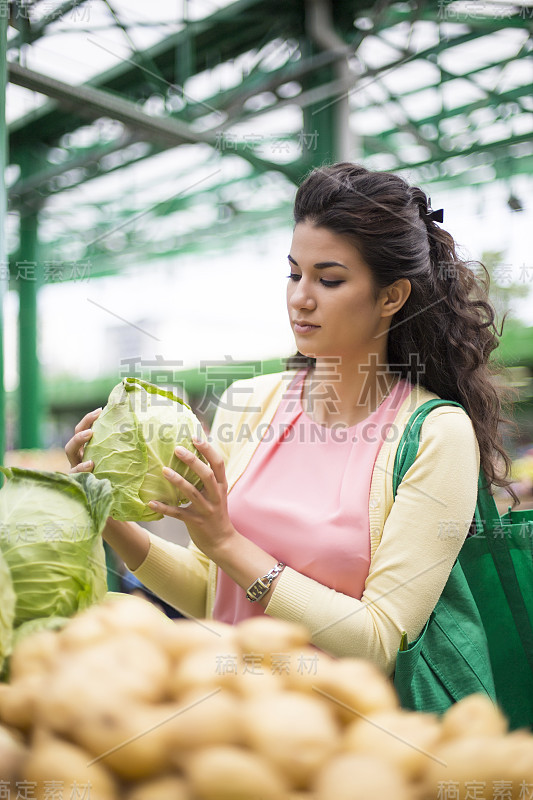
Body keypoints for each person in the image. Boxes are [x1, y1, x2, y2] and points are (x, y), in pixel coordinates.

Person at [65, 162, 516, 677]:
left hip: (352, 737)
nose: (301, 297)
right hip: (233, 721)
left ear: (391, 297)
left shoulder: (438, 434)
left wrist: (228, 544)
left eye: (329, 279)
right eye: (293, 273)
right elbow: (212, 593)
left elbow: (381, 640)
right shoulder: (247, 402)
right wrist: (108, 515)